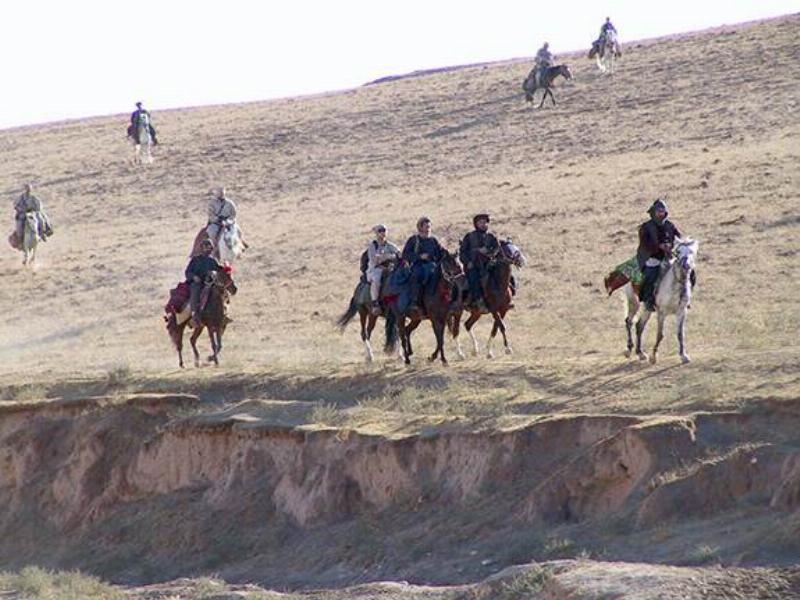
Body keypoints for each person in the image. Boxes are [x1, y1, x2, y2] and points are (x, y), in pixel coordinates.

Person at [636, 199, 683, 311]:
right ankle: (648, 301)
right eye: (658, 211)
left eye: (662, 211)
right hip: (653, 258)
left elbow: (679, 237)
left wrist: (673, 245)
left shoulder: (670, 225)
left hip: (670, 257)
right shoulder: (646, 227)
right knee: (651, 275)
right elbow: (644, 244)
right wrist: (659, 247)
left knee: (686, 272)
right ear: (654, 212)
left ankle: (684, 298)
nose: (661, 213)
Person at [401, 217, 445, 311]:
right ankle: (415, 301)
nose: (428, 229)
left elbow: (440, 252)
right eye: (426, 227)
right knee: (416, 276)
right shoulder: (414, 240)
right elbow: (405, 254)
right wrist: (419, 256)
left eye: (429, 227)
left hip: (432, 266)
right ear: (420, 228)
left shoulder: (433, 240)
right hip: (418, 265)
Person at [459, 213, 499, 308]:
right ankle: (477, 300)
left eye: (485, 222)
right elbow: (462, 252)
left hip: (489, 265)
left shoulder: (492, 237)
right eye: (481, 222)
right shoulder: (469, 236)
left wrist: (488, 252)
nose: (483, 224)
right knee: (473, 278)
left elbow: (497, 249)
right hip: (473, 265)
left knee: (505, 275)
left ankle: (506, 298)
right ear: (476, 224)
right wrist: (468, 262)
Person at [185, 238, 225, 326]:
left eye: (210, 247)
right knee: (195, 290)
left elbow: (218, 270)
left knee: (221, 291)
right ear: (202, 248)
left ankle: (224, 313)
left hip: (210, 283)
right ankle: (195, 314)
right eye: (206, 247)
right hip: (198, 283)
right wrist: (194, 277)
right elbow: (188, 272)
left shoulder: (213, 261)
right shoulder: (195, 260)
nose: (208, 249)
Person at [366, 224, 401, 315]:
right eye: (380, 231)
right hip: (375, 269)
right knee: (377, 279)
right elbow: (374, 261)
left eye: (384, 231)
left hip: (388, 268)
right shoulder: (372, 246)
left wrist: (396, 256)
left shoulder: (389, 245)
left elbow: (398, 253)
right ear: (376, 234)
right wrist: (388, 256)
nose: (383, 233)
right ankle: (375, 303)